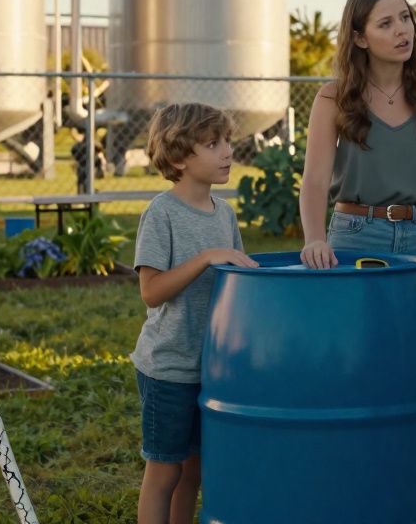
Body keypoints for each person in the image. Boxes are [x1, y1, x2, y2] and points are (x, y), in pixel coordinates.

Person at [298, 0, 416, 323]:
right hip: (356, 236)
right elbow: (314, 180)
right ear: (360, 38)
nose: (401, 30)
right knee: (358, 350)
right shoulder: (333, 98)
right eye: (385, 24)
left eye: (405, 18)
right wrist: (315, 240)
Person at [130, 103, 259, 524]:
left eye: (227, 142)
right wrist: (205, 258)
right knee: (165, 471)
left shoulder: (226, 214)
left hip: (211, 367)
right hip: (168, 367)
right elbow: (151, 292)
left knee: (193, 472)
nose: (227, 152)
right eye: (212, 144)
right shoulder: (161, 214)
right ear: (178, 157)